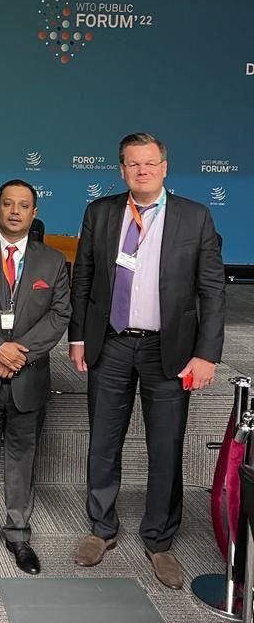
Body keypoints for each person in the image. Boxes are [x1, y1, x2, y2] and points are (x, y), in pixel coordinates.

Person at [69, 132, 225, 589]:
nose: (142, 171)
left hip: (170, 350)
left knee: (166, 445)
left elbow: (212, 290)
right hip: (111, 343)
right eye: (133, 164)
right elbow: (84, 278)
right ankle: (102, 528)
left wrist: (207, 353)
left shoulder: (195, 217)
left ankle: (159, 540)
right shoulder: (100, 212)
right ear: (122, 170)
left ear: (164, 167)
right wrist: (78, 336)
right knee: (103, 440)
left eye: (150, 163)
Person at [0, 180, 71, 575]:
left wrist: (18, 353)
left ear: (34, 213)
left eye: (23, 205)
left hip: (28, 376)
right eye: (8, 204)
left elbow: (60, 313)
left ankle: (19, 534)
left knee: (24, 458)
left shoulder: (52, 261)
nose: (15, 211)